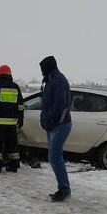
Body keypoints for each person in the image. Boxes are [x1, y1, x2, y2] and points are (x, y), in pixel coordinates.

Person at [39, 55, 72, 202]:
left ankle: (64, 190)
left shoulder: (58, 80)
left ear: (48, 67)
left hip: (60, 125)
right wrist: (44, 119)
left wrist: (50, 121)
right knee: (54, 157)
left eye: (42, 69)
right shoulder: (51, 81)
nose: (41, 72)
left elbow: (60, 104)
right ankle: (63, 188)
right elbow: (47, 104)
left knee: (55, 157)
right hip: (52, 125)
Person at [0, 65, 24, 173]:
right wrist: (21, 118)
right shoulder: (15, 86)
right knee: (12, 144)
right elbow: (20, 104)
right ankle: (14, 165)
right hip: (11, 123)